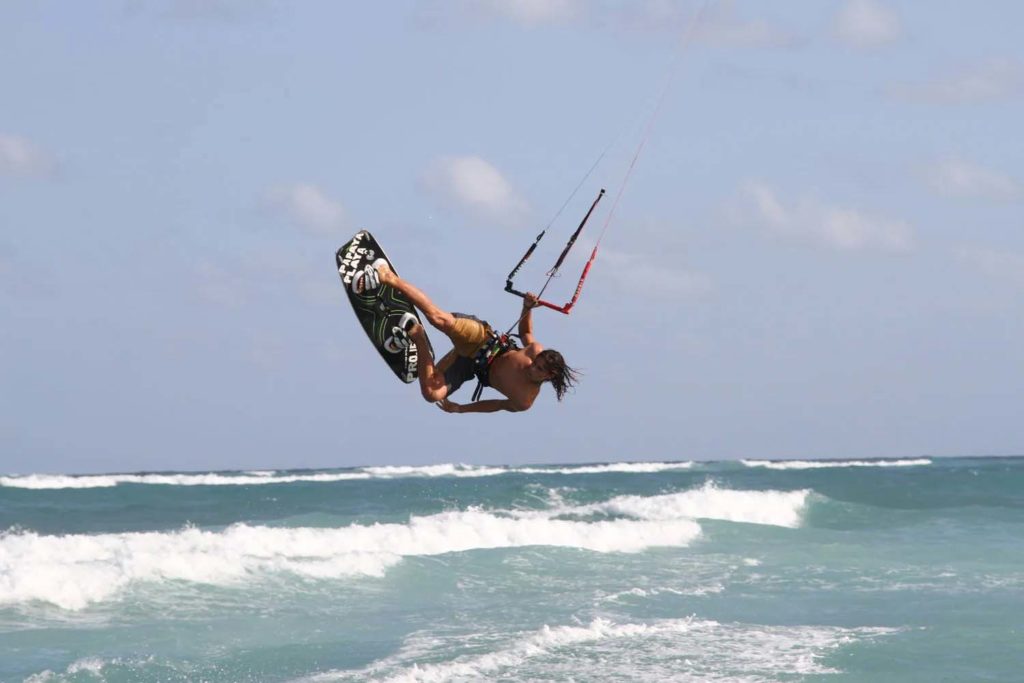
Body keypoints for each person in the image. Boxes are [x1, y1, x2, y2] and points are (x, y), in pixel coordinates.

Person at [355, 259, 579, 414]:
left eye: (538, 369)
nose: (532, 367)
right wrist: (527, 307)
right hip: (482, 339)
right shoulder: (533, 352)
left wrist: (461, 408)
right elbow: (526, 333)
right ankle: (386, 276)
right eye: (535, 363)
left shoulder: (524, 400)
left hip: (470, 366)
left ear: (549, 376)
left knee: (432, 394)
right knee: (438, 319)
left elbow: (497, 405)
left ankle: (417, 335)